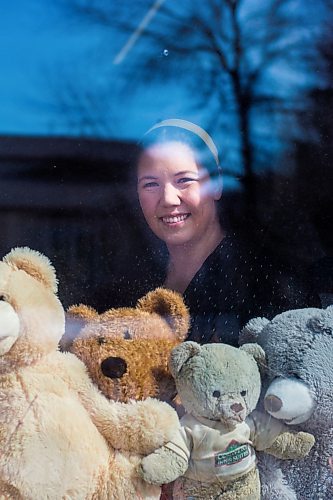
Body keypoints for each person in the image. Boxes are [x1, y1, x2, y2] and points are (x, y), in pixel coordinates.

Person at [111, 119, 320, 346]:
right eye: (151, 184)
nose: (169, 199)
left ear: (217, 184)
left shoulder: (267, 282)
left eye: (184, 180)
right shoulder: (130, 283)